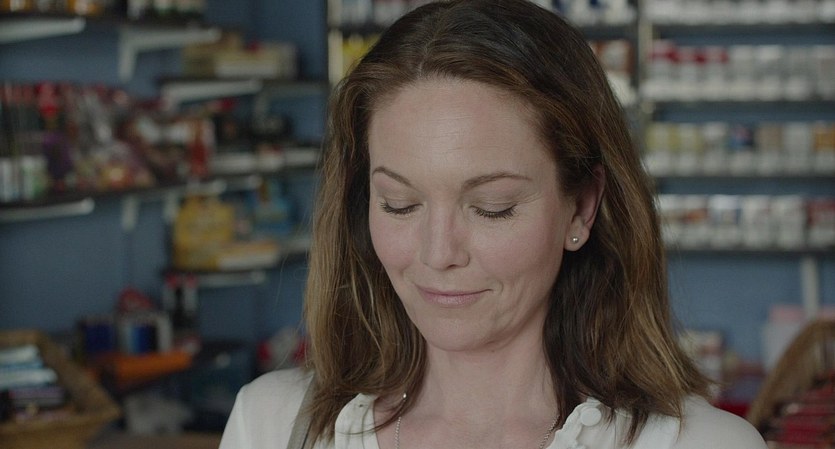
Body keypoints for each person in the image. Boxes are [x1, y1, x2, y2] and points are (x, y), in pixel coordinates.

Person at [219, 1, 768, 448]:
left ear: (581, 207)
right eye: (399, 204)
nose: (438, 253)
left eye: (492, 207)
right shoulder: (270, 425)